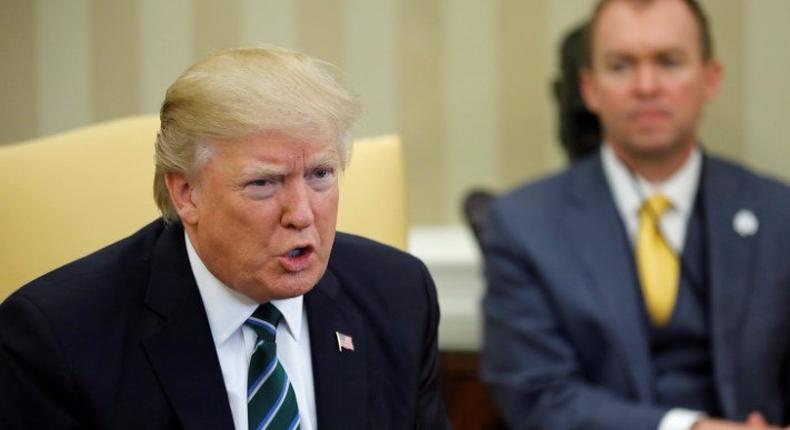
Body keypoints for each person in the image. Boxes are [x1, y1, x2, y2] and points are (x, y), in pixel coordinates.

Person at [0, 47, 450, 430]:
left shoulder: (399, 294)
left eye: (320, 174)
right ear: (186, 193)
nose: (301, 214)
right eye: (264, 183)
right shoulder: (59, 336)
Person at [482, 1, 790, 429]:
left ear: (710, 78)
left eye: (669, 62)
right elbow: (537, 398)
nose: (646, 86)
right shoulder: (523, 225)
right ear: (589, 88)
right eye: (621, 66)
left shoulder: (779, 214)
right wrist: (690, 428)